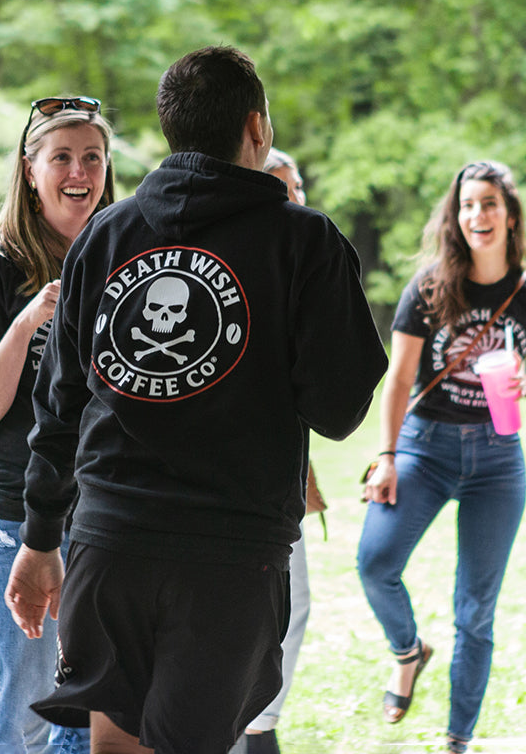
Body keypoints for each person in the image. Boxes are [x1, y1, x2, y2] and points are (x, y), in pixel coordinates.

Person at [7, 46, 386, 754]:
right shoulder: (304, 243)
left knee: (115, 749)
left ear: (170, 130)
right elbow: (340, 410)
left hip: (108, 546)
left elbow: (57, 406)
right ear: (257, 127)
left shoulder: (106, 235)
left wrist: (39, 538)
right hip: (228, 557)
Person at [358, 159, 526, 754]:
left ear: (510, 213)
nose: (478, 215)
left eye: (490, 204)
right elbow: (397, 380)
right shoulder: (428, 287)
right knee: (375, 561)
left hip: (499, 458)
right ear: (455, 216)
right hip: (426, 445)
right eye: (468, 205)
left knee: (475, 610)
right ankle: (408, 650)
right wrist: (388, 454)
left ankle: (457, 738)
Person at [0, 96, 114, 754]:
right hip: (17, 517)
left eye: (93, 157)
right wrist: (27, 323)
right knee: (24, 713)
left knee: (93, 709)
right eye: (63, 157)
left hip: (106, 512)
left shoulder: (119, 259)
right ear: (29, 169)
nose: (80, 172)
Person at [227, 148, 328, 754]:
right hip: (234, 483)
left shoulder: (299, 263)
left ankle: (258, 729)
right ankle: (249, 734)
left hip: (279, 476)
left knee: (292, 608)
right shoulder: (247, 266)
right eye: (278, 188)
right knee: (259, 612)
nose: (292, 199)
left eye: (297, 188)